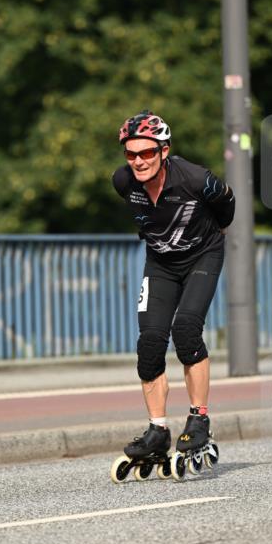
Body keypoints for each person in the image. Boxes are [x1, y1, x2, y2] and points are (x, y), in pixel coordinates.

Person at [112, 109, 235, 464]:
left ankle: (199, 419)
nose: (139, 161)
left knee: (185, 329)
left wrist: (216, 233)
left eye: (147, 153)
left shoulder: (196, 179)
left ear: (164, 151)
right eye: (131, 154)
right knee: (149, 344)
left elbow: (227, 205)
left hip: (203, 257)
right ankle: (157, 430)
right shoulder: (123, 182)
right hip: (160, 264)